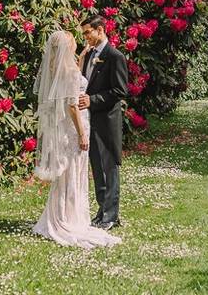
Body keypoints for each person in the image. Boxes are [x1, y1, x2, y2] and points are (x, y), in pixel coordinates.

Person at [31, 29, 121, 249]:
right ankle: (70, 218)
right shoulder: (69, 71)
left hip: (65, 129)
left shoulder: (57, 69)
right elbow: (72, 104)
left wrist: (80, 59)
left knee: (68, 172)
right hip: (76, 127)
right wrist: (81, 133)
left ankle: (60, 213)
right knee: (75, 172)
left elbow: (72, 82)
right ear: (67, 47)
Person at [77, 16, 128, 230]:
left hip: (107, 121)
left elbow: (120, 91)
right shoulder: (89, 55)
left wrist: (93, 100)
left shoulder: (115, 56)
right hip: (91, 121)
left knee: (109, 168)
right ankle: (102, 212)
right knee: (98, 169)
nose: (85, 37)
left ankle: (110, 216)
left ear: (100, 30)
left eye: (88, 32)